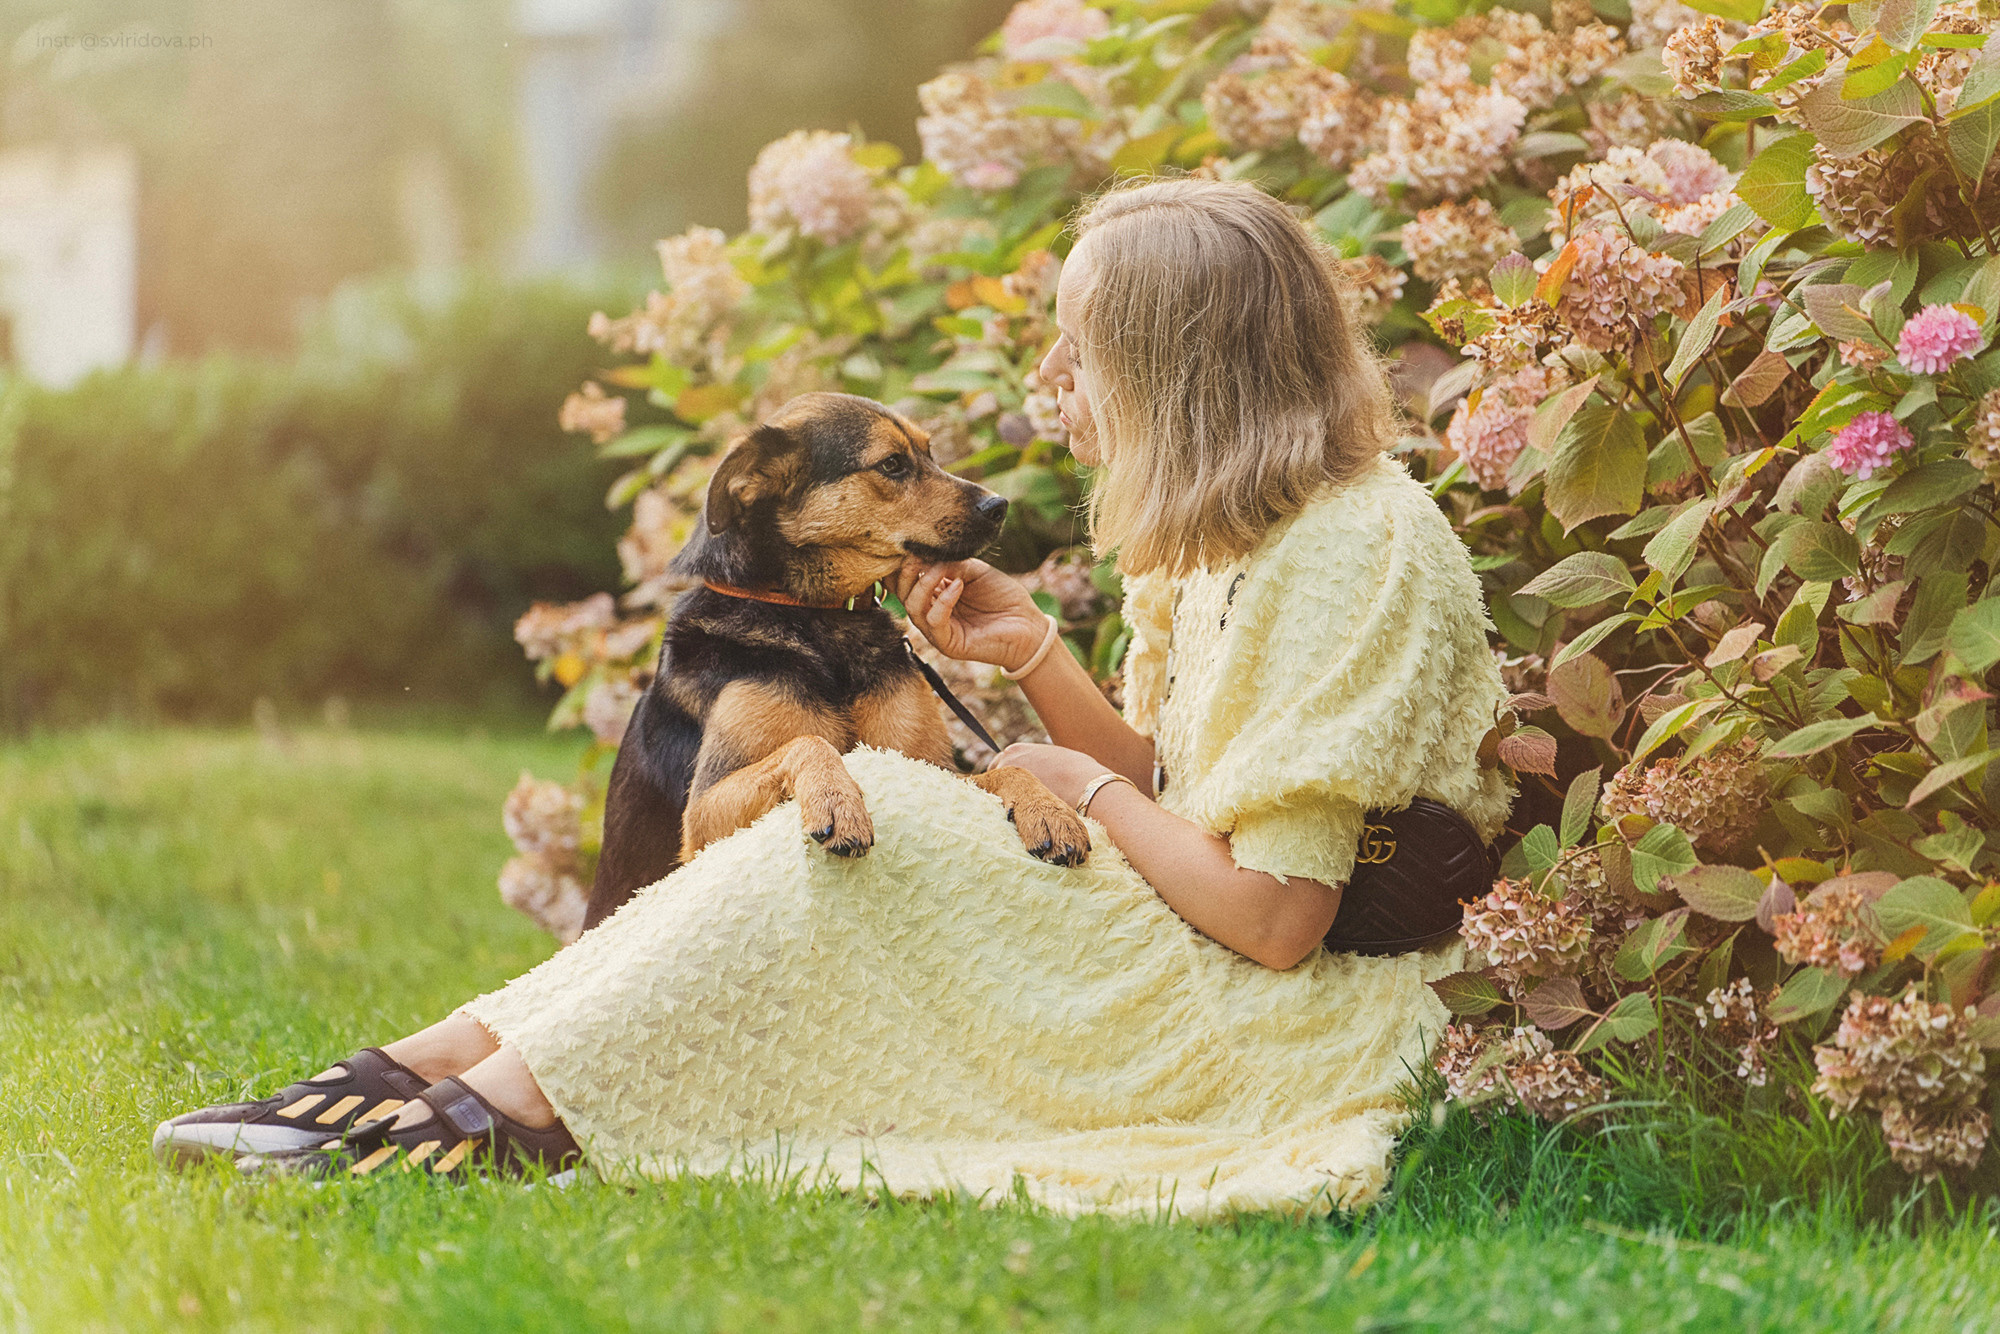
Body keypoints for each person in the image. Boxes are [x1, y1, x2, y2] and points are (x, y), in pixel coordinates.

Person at [155, 175, 1515, 1218]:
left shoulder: (1355, 548)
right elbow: (1185, 784)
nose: (1066, 390)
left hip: (1292, 1017)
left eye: (1085, 355)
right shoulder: (1229, 538)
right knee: (834, 811)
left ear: (1179, 370)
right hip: (1186, 930)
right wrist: (1036, 656)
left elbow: (1278, 916)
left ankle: (490, 1113)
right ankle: (404, 1079)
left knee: (877, 819)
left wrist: (1074, 781)